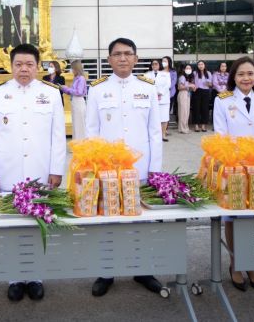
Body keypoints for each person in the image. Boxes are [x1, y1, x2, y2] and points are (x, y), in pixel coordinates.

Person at [0, 43, 66, 302]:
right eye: (18, 64)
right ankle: (15, 278)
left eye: (29, 64)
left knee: (38, 223)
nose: (24, 69)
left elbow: (58, 136)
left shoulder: (51, 93)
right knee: (11, 226)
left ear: (38, 66)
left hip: (40, 170)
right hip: (8, 171)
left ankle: (36, 277)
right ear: (10, 66)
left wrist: (56, 169)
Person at [86, 37, 163, 297]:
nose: (122, 58)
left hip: (139, 170)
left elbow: (155, 132)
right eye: (117, 54)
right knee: (107, 221)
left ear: (136, 58)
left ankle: (142, 269)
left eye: (127, 54)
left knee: (138, 221)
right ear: (109, 60)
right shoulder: (96, 90)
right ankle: (106, 271)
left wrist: (156, 169)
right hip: (107, 170)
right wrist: (94, 168)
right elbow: (91, 132)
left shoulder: (148, 88)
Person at [213, 56, 254, 293]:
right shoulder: (223, 101)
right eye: (241, 74)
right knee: (233, 216)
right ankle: (235, 264)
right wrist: (238, 158)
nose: (246, 78)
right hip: (233, 166)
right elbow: (221, 135)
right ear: (233, 77)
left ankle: (251, 264)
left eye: (250, 74)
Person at [145, 59, 171, 141]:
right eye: (153, 64)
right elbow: (145, 85)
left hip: (163, 98)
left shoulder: (166, 74)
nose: (154, 65)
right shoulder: (147, 74)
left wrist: (160, 93)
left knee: (164, 118)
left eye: (156, 64)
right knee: (153, 117)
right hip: (152, 99)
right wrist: (154, 93)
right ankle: (154, 135)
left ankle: (163, 134)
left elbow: (168, 85)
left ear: (159, 65)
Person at [60, 60, 87, 140]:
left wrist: (66, 88)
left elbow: (79, 92)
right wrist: (64, 89)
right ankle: (76, 143)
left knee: (79, 124)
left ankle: (81, 144)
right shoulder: (76, 78)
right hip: (74, 102)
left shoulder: (81, 78)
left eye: (72, 68)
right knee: (75, 124)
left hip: (78, 102)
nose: (71, 70)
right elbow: (72, 91)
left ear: (76, 68)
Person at [191, 61, 212, 132]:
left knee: (205, 109)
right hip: (197, 91)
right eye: (199, 64)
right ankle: (196, 125)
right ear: (197, 66)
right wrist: (193, 86)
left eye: (202, 64)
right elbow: (192, 82)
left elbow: (211, 84)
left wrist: (208, 83)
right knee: (196, 108)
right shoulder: (194, 73)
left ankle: (203, 125)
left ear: (204, 65)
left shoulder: (208, 73)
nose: (200, 66)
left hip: (206, 91)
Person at [177, 64, 196, 134]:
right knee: (183, 112)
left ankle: (185, 127)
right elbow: (179, 87)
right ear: (184, 69)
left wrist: (193, 87)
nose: (188, 69)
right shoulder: (182, 77)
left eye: (190, 68)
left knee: (186, 112)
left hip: (187, 94)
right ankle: (182, 128)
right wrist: (190, 85)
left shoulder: (189, 78)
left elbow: (189, 87)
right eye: (187, 68)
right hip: (182, 94)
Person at [162, 56, 177, 126]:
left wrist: (166, 87)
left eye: (165, 61)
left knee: (167, 111)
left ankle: (166, 128)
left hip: (170, 94)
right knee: (161, 111)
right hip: (161, 95)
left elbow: (173, 82)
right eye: (163, 61)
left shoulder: (173, 72)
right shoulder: (160, 71)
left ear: (169, 62)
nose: (163, 62)